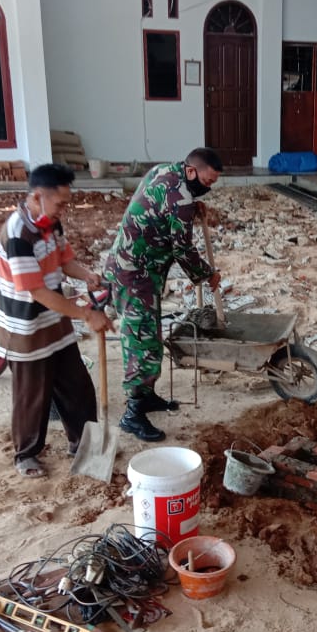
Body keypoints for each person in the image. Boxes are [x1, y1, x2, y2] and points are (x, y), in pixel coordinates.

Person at [0, 163, 113, 478]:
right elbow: (37, 292)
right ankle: (26, 454)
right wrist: (87, 314)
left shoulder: (52, 224)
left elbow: (64, 261)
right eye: (60, 202)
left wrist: (87, 275)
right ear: (37, 196)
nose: (65, 209)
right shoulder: (17, 234)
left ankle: (82, 443)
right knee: (32, 396)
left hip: (55, 321)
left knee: (77, 386)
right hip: (26, 327)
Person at [104, 147, 223, 442]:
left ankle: (146, 397)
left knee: (150, 337)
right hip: (135, 274)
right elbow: (182, 248)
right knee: (142, 343)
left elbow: (162, 201)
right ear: (192, 171)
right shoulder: (181, 199)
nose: (208, 188)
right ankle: (132, 414)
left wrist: (193, 206)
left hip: (137, 267)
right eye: (207, 182)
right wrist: (207, 274)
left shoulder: (165, 171)